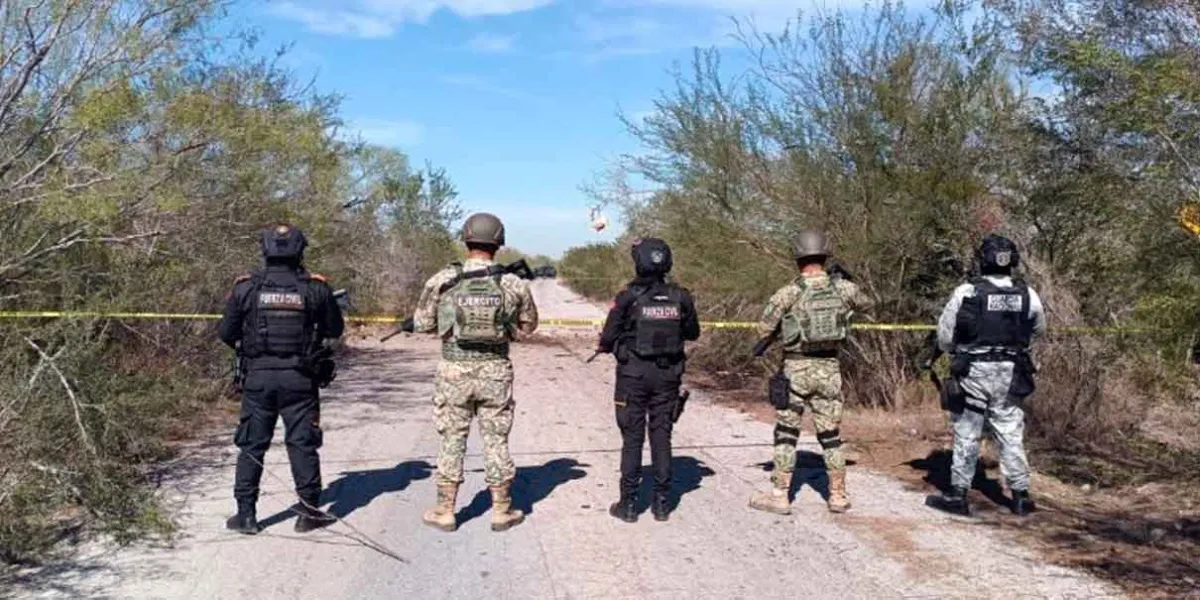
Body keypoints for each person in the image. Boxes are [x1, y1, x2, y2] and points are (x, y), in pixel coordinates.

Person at [413, 212, 538, 533]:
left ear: (466, 239)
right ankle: (501, 510)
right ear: (499, 242)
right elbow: (528, 327)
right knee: (496, 440)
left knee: (452, 439)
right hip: (496, 370)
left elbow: (424, 324)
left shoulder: (442, 279)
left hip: (453, 369)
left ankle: (445, 510)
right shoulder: (512, 282)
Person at [218, 223, 345, 534]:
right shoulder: (316, 288)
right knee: (302, 444)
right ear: (300, 250)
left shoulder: (246, 288)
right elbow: (334, 330)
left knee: (252, 446)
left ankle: (246, 515)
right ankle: (310, 512)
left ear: (265, 250)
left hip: (258, 379)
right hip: (300, 380)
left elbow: (226, 334)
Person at [749, 229, 872, 515]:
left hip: (796, 369)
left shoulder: (788, 292)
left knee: (786, 433)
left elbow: (764, 328)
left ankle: (780, 495)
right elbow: (868, 305)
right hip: (830, 368)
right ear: (824, 254)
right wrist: (848, 282)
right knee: (831, 435)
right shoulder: (843, 289)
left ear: (797, 256)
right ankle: (838, 495)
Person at [927, 234, 1045, 517]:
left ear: (982, 260)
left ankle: (958, 495)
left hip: (974, 370)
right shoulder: (1027, 293)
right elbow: (1038, 329)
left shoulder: (967, 292)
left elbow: (944, 337)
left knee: (968, 431)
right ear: (1012, 261)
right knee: (1009, 430)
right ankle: (1020, 496)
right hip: (1011, 370)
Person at [596, 238, 700, 523]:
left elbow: (607, 337)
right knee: (662, 436)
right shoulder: (681, 297)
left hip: (633, 376)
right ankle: (662, 504)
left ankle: (628, 504)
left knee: (632, 440)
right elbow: (692, 333)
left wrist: (607, 344)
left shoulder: (628, 296)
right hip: (668, 376)